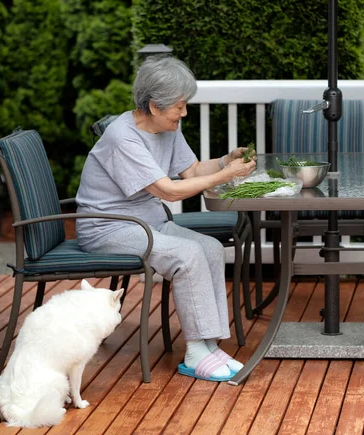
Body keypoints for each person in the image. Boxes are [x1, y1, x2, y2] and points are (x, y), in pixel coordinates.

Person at [75, 55, 256, 382]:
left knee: (212, 248)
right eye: (180, 106)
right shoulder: (123, 137)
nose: (184, 113)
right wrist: (225, 176)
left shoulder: (167, 128)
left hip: (148, 224)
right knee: (186, 256)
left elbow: (194, 170)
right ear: (155, 106)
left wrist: (225, 161)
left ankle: (208, 345)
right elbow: (169, 191)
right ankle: (195, 352)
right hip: (109, 228)